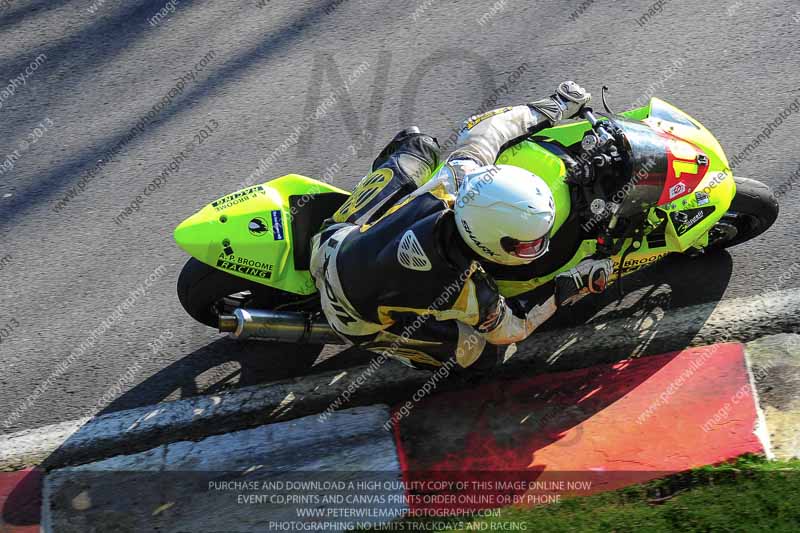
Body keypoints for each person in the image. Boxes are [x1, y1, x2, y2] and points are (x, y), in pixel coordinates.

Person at [310, 81, 613, 372]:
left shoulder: (457, 179)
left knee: (418, 144)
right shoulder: (470, 292)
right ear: (489, 242)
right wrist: (574, 283)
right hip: (350, 317)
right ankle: (386, 345)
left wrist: (554, 106)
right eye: (527, 244)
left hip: (333, 239)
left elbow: (487, 130)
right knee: (483, 353)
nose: (536, 245)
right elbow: (511, 329)